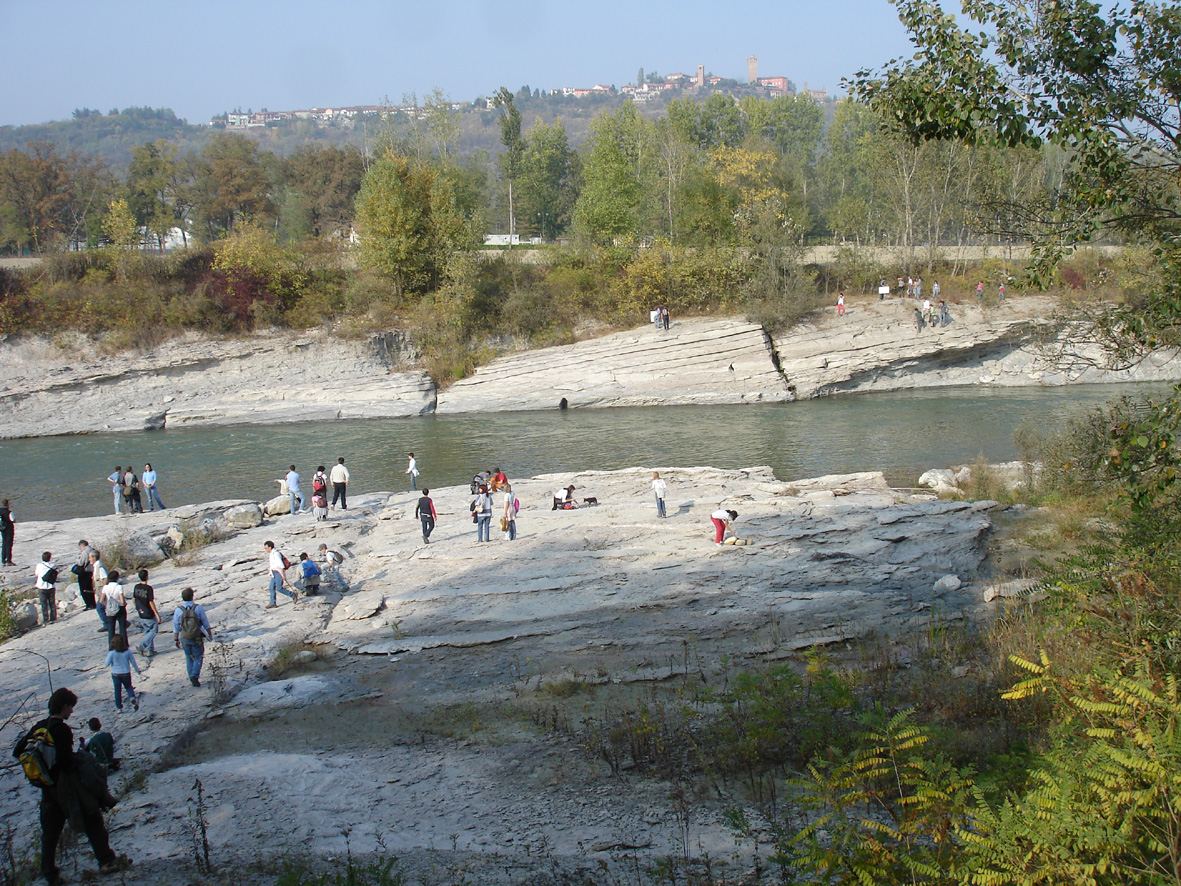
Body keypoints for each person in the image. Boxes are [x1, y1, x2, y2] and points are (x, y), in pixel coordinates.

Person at [13, 688, 129, 884]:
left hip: (46, 787)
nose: (72, 712)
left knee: (50, 832)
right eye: (71, 707)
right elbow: (64, 761)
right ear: (65, 706)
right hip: (65, 786)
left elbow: (18, 751)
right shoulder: (62, 729)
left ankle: (49, 874)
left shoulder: (39, 726)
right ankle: (107, 861)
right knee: (92, 819)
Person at [173, 587, 212, 687]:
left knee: (188, 656)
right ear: (192, 596)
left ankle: (191, 676)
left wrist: (176, 638)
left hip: (184, 636)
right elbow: (205, 622)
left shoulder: (178, 610)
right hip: (197, 636)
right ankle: (195, 675)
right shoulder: (197, 608)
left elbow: (176, 626)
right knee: (198, 655)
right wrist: (209, 633)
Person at [104, 634, 140, 713]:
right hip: (126, 672)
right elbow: (133, 661)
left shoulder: (112, 652)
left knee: (117, 690)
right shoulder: (128, 651)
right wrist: (137, 670)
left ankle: (119, 708)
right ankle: (132, 698)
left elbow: (106, 664)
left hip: (115, 673)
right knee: (128, 687)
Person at [132, 569, 159, 657]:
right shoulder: (148, 588)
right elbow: (151, 602)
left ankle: (150, 650)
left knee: (148, 631)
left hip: (141, 612)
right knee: (154, 630)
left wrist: (137, 607)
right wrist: (156, 614)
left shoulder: (136, 587)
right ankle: (142, 645)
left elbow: (134, 599)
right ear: (147, 576)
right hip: (148, 613)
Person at [263, 540, 298, 608]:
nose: (265, 550)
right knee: (271, 587)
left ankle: (293, 595)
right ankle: (272, 603)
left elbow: (281, 565)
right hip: (273, 572)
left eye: (266, 548)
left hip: (278, 572)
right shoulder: (271, 554)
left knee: (279, 588)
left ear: (270, 547)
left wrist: (282, 575)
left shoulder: (276, 554)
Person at [100, 569, 129, 642]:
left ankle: (111, 645)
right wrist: (124, 604)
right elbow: (122, 600)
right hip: (120, 607)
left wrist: (107, 605)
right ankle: (124, 644)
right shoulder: (119, 587)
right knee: (122, 627)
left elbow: (101, 600)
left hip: (110, 608)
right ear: (117, 578)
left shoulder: (105, 587)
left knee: (111, 628)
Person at [90, 549, 111, 634]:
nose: (89, 559)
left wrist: (103, 590)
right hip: (100, 590)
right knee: (107, 607)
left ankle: (107, 624)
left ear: (94, 557)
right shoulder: (96, 566)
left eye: (90, 557)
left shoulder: (100, 566)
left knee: (100, 608)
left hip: (103, 591)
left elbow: (105, 578)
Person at [35, 551, 58, 624]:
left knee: (44, 604)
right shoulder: (53, 565)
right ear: (50, 558)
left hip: (41, 586)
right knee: (52, 603)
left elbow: (36, 573)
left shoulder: (39, 565)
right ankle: (53, 618)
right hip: (51, 586)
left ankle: (45, 619)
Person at [76, 540, 97, 611]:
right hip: (92, 571)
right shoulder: (92, 550)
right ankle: (93, 603)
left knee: (84, 589)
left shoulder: (85, 552)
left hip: (85, 572)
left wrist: (78, 559)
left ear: (82, 546)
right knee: (90, 588)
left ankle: (88, 604)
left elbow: (81, 563)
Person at [0, 498, 14, 565]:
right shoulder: (9, 512)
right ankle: (8, 560)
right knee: (9, 544)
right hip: (9, 529)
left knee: (4, 543)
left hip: (2, 528)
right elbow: (12, 519)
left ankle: (3, 559)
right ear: (7, 504)